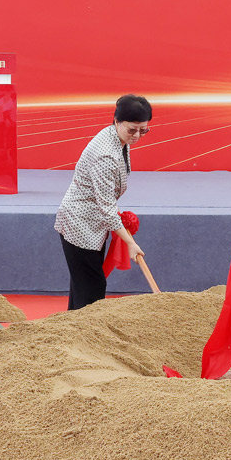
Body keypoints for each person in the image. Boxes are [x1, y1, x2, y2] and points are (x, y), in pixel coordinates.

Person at [55, 94, 151, 310]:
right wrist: (130, 243)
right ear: (117, 121)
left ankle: (73, 326)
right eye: (132, 130)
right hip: (79, 224)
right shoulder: (105, 155)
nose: (137, 135)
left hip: (93, 222)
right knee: (91, 290)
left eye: (143, 130)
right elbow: (106, 209)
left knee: (84, 287)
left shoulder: (118, 138)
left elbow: (106, 203)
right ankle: (81, 329)